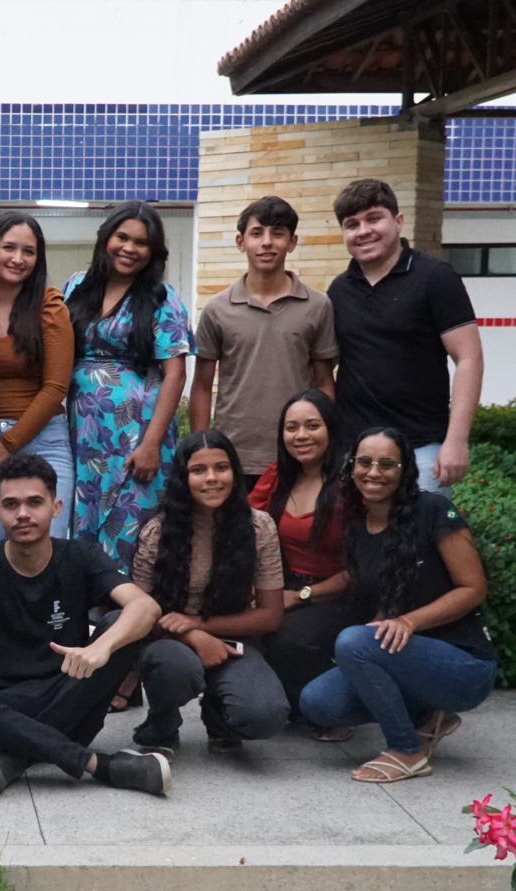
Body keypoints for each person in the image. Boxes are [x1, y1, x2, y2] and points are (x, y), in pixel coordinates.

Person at [0, 453, 170, 797]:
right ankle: (101, 766)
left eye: (35, 502)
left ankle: (16, 755)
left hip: (72, 691)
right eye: (11, 504)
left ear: (56, 507)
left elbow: (145, 607)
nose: (23, 513)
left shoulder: (81, 555)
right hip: (7, 701)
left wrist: (100, 648)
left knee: (120, 625)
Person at [299, 427, 496, 784]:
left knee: (352, 642)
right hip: (408, 658)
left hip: (464, 665)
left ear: (405, 469)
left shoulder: (433, 509)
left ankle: (407, 750)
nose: (374, 472)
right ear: (351, 466)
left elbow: (473, 588)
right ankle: (426, 717)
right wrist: (302, 595)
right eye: (364, 462)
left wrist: (408, 621)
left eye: (387, 464)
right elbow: (371, 590)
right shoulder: (358, 524)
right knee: (318, 703)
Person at [126, 430, 288, 758]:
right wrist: (193, 638)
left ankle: (219, 716)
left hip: (230, 636)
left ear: (235, 473)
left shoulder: (260, 527)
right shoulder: (158, 531)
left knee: (265, 716)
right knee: (177, 668)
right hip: (167, 642)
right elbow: (137, 614)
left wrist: (199, 626)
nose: (211, 478)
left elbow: (271, 615)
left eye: (221, 468)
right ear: (183, 478)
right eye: (198, 471)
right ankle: (161, 723)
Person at [327, 179, 483, 494]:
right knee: (355, 542)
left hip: (421, 450)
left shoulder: (436, 278)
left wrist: (456, 440)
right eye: (351, 224)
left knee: (420, 540)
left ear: (398, 221)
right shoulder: (339, 290)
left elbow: (469, 358)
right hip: (355, 451)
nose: (363, 231)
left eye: (374, 218)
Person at [63, 200, 192, 567]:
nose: (130, 249)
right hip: (83, 436)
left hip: (136, 434)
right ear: (106, 237)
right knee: (83, 523)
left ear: (153, 252)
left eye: (142, 243)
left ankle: (132, 616)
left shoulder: (162, 299)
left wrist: (151, 444)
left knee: (130, 528)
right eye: (122, 237)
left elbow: (176, 374)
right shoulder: (75, 286)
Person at [187, 195, 338, 489]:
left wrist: (326, 445)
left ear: (292, 242)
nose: (267, 242)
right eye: (257, 233)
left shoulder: (318, 305)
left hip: (297, 452)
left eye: (277, 234)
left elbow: (324, 383)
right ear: (241, 241)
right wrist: (201, 447)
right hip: (232, 455)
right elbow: (202, 385)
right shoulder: (218, 308)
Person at [248, 389, 361, 734]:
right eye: (291, 428)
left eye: (312, 426)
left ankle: (334, 709)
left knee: (289, 637)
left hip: (338, 593)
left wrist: (300, 596)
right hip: (280, 584)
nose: (301, 436)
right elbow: (244, 531)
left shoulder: (353, 482)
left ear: (332, 429)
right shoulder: (278, 475)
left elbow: (364, 568)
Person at [0, 211, 75, 545]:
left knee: (45, 555)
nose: (18, 259)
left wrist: (7, 444)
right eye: (9, 248)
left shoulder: (50, 305)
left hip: (43, 440)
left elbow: (56, 386)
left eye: (28, 252)